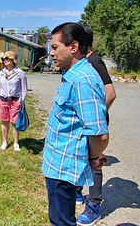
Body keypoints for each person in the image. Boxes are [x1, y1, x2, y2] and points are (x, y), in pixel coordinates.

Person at [41, 22, 109, 226]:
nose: (51, 53)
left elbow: (99, 134)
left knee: (61, 221)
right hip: (58, 164)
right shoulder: (72, 76)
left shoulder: (82, 80)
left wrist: (93, 156)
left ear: (73, 47)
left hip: (64, 167)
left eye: (54, 47)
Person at [75, 24, 116, 226]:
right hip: (86, 121)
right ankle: (77, 191)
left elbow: (111, 93)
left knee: (95, 162)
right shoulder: (83, 62)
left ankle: (94, 205)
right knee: (82, 155)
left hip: (94, 122)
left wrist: (95, 117)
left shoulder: (95, 61)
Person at [0, 51, 28, 151]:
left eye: (7, 59)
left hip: (15, 100)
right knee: (4, 122)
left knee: (15, 122)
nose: (5, 61)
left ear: (13, 60)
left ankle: (16, 143)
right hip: (3, 100)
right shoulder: (1, 73)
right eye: (3, 59)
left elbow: (24, 89)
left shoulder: (20, 73)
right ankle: (4, 142)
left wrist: (21, 101)